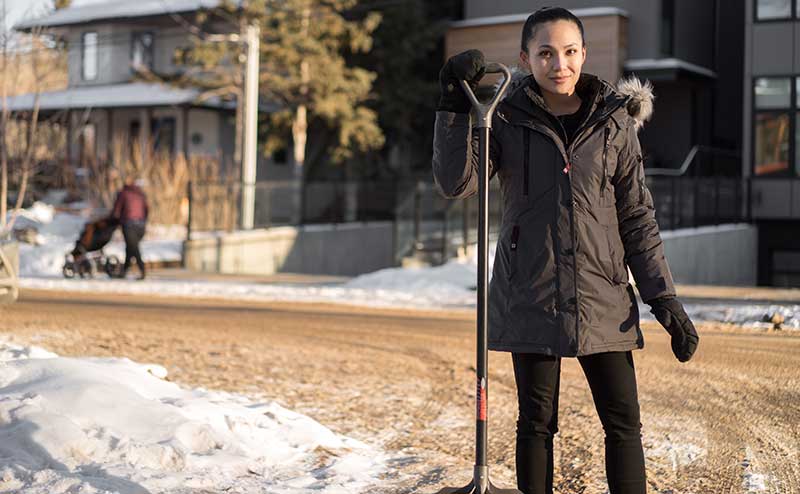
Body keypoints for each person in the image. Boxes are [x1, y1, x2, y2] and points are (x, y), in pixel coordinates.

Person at [432, 7, 699, 494]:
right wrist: (453, 107)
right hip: (530, 291)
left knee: (623, 425)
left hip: (604, 297)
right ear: (525, 58)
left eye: (570, 51)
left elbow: (637, 218)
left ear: (584, 53)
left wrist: (665, 300)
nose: (560, 64)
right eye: (546, 53)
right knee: (536, 425)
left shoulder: (613, 122)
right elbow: (458, 183)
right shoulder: (505, 117)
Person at [111, 176, 149, 280]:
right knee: (130, 248)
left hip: (129, 225)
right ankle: (124, 271)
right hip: (141, 225)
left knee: (134, 248)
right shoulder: (141, 193)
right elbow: (146, 209)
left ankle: (142, 270)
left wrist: (113, 220)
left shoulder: (123, 193)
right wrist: (143, 221)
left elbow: (116, 211)